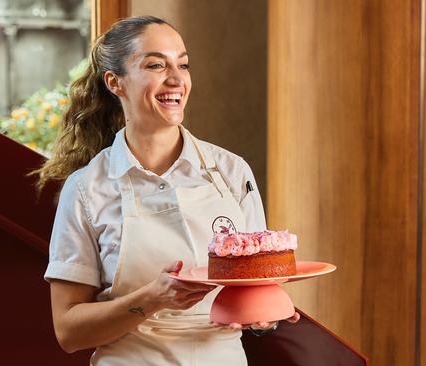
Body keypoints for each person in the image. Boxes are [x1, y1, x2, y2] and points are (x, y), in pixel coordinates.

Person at [31, 15, 298, 365]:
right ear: (115, 82)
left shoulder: (232, 173)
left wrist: (264, 316)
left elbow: (253, 294)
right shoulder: (86, 190)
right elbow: (69, 331)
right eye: (156, 64)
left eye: (183, 64)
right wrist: (154, 298)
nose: (176, 79)